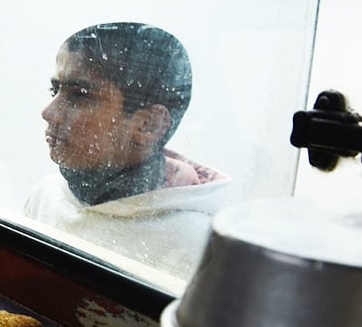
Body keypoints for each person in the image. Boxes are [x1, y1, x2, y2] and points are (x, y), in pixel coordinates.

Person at [23, 22, 234, 279]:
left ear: (148, 124)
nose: (48, 113)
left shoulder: (194, 243)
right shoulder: (46, 196)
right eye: (54, 90)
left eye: (80, 95)